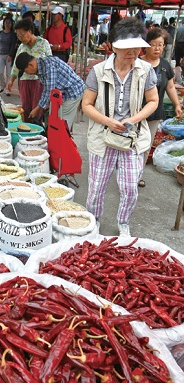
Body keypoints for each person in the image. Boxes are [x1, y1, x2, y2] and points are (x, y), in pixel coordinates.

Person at [81, 17, 158, 237]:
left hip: (133, 138)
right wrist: (108, 121)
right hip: (102, 137)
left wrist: (134, 119)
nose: (132, 52)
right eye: (127, 48)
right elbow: (86, 105)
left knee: (130, 187)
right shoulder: (98, 71)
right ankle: (93, 221)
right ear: (113, 46)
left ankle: (123, 222)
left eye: (136, 47)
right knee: (96, 187)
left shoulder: (145, 70)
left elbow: (153, 101)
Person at [138, 27, 182, 187]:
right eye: (153, 44)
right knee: (130, 143)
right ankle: (126, 172)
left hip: (154, 113)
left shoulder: (165, 65)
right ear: (146, 45)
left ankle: (138, 175)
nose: (157, 48)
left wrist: (177, 104)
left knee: (145, 145)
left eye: (160, 45)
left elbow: (170, 87)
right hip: (135, 111)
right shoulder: (137, 62)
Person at [15, 52, 85, 130]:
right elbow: (47, 89)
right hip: (62, 92)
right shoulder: (40, 68)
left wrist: (37, 108)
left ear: (31, 65)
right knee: (52, 115)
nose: (27, 74)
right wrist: (44, 105)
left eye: (26, 71)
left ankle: (62, 139)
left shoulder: (48, 67)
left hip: (73, 91)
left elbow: (49, 91)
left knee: (62, 120)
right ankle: (52, 137)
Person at [8, 19, 52, 123]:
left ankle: (38, 132)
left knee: (38, 109)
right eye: (18, 36)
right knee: (26, 109)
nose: (20, 38)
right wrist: (11, 80)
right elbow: (16, 65)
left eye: (22, 35)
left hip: (39, 82)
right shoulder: (21, 47)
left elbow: (50, 63)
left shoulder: (43, 43)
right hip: (24, 81)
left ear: (30, 31)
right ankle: (27, 132)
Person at [0, 16, 17, 96]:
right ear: (3, 24)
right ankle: (3, 85)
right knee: (0, 72)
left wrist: (10, 55)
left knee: (8, 73)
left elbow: (13, 45)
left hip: (8, 55)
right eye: (6, 23)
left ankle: (7, 88)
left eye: (9, 23)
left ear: (12, 24)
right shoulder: (0, 33)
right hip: (0, 54)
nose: (7, 24)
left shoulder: (13, 34)